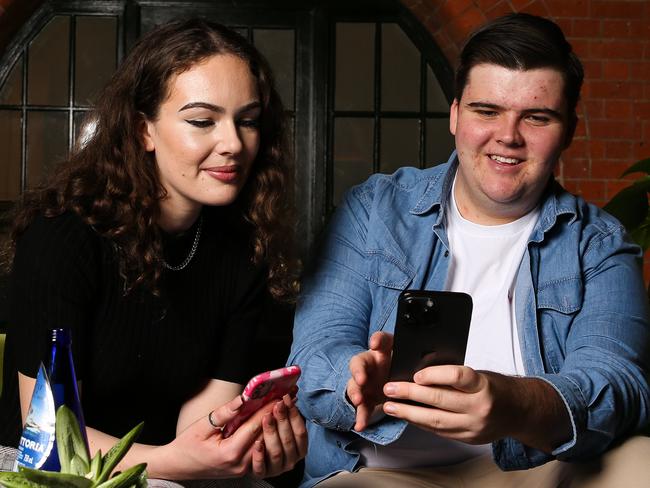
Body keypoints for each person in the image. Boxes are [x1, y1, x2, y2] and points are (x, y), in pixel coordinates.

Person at [289, 12, 650, 488]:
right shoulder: (374, 211)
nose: (508, 136)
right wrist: (358, 384)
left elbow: (620, 383)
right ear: (456, 115)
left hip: (539, 471)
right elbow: (314, 355)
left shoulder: (599, 244)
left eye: (537, 117)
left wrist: (513, 406)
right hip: (381, 473)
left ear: (567, 129)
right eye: (487, 111)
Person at [0, 18, 307, 483]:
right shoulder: (62, 238)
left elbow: (201, 427)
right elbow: (51, 441)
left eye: (247, 121)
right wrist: (182, 462)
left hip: (169, 474)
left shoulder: (243, 247)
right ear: (143, 130)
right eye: (203, 121)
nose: (233, 144)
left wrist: (244, 444)